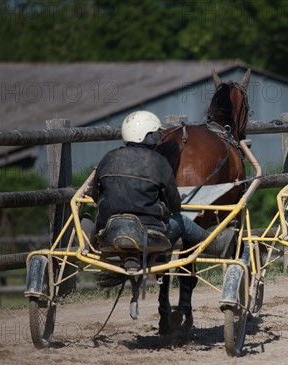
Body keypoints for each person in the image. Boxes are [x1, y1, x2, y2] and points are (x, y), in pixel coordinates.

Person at [91, 110, 231, 331]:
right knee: (182, 222)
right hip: (150, 236)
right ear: (147, 135)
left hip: (111, 232)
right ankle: (217, 245)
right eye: (154, 133)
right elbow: (174, 205)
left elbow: (94, 195)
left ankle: (128, 257)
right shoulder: (159, 162)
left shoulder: (108, 157)